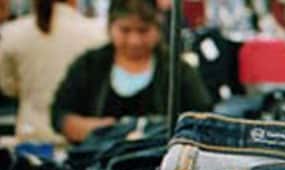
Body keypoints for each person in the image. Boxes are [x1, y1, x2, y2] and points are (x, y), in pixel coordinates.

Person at [49, 0, 210, 144]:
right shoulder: (89, 65)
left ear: (158, 28)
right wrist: (97, 130)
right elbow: (59, 115)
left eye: (143, 31)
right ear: (110, 27)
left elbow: (203, 120)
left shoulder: (178, 70)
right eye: (125, 30)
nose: (134, 41)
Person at [1, 0, 105, 143]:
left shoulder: (11, 32)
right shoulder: (98, 32)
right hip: (77, 136)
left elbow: (8, 86)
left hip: (31, 134)